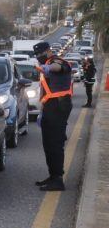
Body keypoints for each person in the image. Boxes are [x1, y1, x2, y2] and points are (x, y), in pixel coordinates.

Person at [33, 42, 73, 191]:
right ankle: (53, 175)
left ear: (49, 51)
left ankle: (58, 179)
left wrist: (48, 68)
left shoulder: (58, 62)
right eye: (37, 55)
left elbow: (59, 67)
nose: (39, 57)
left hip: (59, 106)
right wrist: (42, 110)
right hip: (51, 107)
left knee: (55, 143)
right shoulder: (47, 63)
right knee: (48, 144)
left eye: (41, 54)